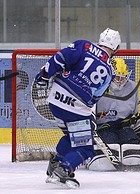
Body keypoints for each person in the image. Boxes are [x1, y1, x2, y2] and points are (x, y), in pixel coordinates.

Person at [34, 28, 121, 188]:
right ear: (116, 49)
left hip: (55, 101)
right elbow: (94, 98)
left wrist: (45, 74)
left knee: (71, 135)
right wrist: (88, 118)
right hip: (75, 108)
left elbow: (61, 58)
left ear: (100, 39)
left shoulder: (84, 46)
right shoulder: (109, 71)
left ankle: (56, 163)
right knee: (85, 148)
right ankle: (63, 170)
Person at [86, 58, 140, 171]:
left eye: (122, 77)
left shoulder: (132, 87)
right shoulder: (97, 86)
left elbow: (134, 112)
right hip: (103, 128)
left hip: (124, 126)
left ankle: (134, 154)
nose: (119, 81)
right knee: (110, 140)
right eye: (117, 77)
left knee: (130, 137)